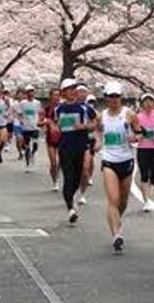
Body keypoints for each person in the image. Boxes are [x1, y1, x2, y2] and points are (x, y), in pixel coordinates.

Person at [94, 82, 142, 254]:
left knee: (123, 202)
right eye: (111, 96)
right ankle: (116, 235)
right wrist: (99, 142)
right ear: (106, 98)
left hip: (126, 160)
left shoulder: (129, 114)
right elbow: (98, 131)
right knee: (113, 200)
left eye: (117, 96)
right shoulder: (102, 116)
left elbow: (139, 132)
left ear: (121, 97)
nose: (114, 100)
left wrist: (133, 137)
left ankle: (117, 221)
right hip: (109, 160)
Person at [54, 78, 97, 225]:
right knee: (68, 177)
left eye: (74, 88)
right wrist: (55, 127)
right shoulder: (58, 109)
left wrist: (84, 127)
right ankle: (71, 209)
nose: (73, 91)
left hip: (81, 147)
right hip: (65, 148)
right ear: (63, 92)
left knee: (79, 177)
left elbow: (95, 123)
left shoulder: (84, 108)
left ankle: (71, 198)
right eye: (69, 89)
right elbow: (56, 126)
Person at [18, 85, 42, 172]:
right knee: (27, 146)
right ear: (26, 93)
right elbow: (20, 114)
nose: (30, 93)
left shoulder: (37, 103)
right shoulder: (22, 103)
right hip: (26, 127)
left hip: (35, 126)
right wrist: (21, 121)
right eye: (28, 92)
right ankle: (27, 163)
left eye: (32, 91)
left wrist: (40, 122)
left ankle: (33, 153)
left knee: (35, 145)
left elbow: (40, 113)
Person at [42, 88, 61, 191]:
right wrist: (47, 122)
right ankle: (55, 181)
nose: (56, 97)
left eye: (58, 95)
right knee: (53, 162)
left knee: (60, 163)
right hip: (51, 138)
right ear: (50, 97)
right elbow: (39, 122)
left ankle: (57, 175)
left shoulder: (63, 108)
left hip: (63, 138)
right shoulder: (46, 109)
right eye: (54, 95)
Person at [12, 88, 26, 161]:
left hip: (25, 124)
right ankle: (20, 152)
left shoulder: (26, 103)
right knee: (18, 139)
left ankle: (24, 148)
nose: (20, 96)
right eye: (19, 94)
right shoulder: (14, 104)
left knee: (23, 139)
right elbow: (10, 112)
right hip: (17, 123)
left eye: (22, 94)